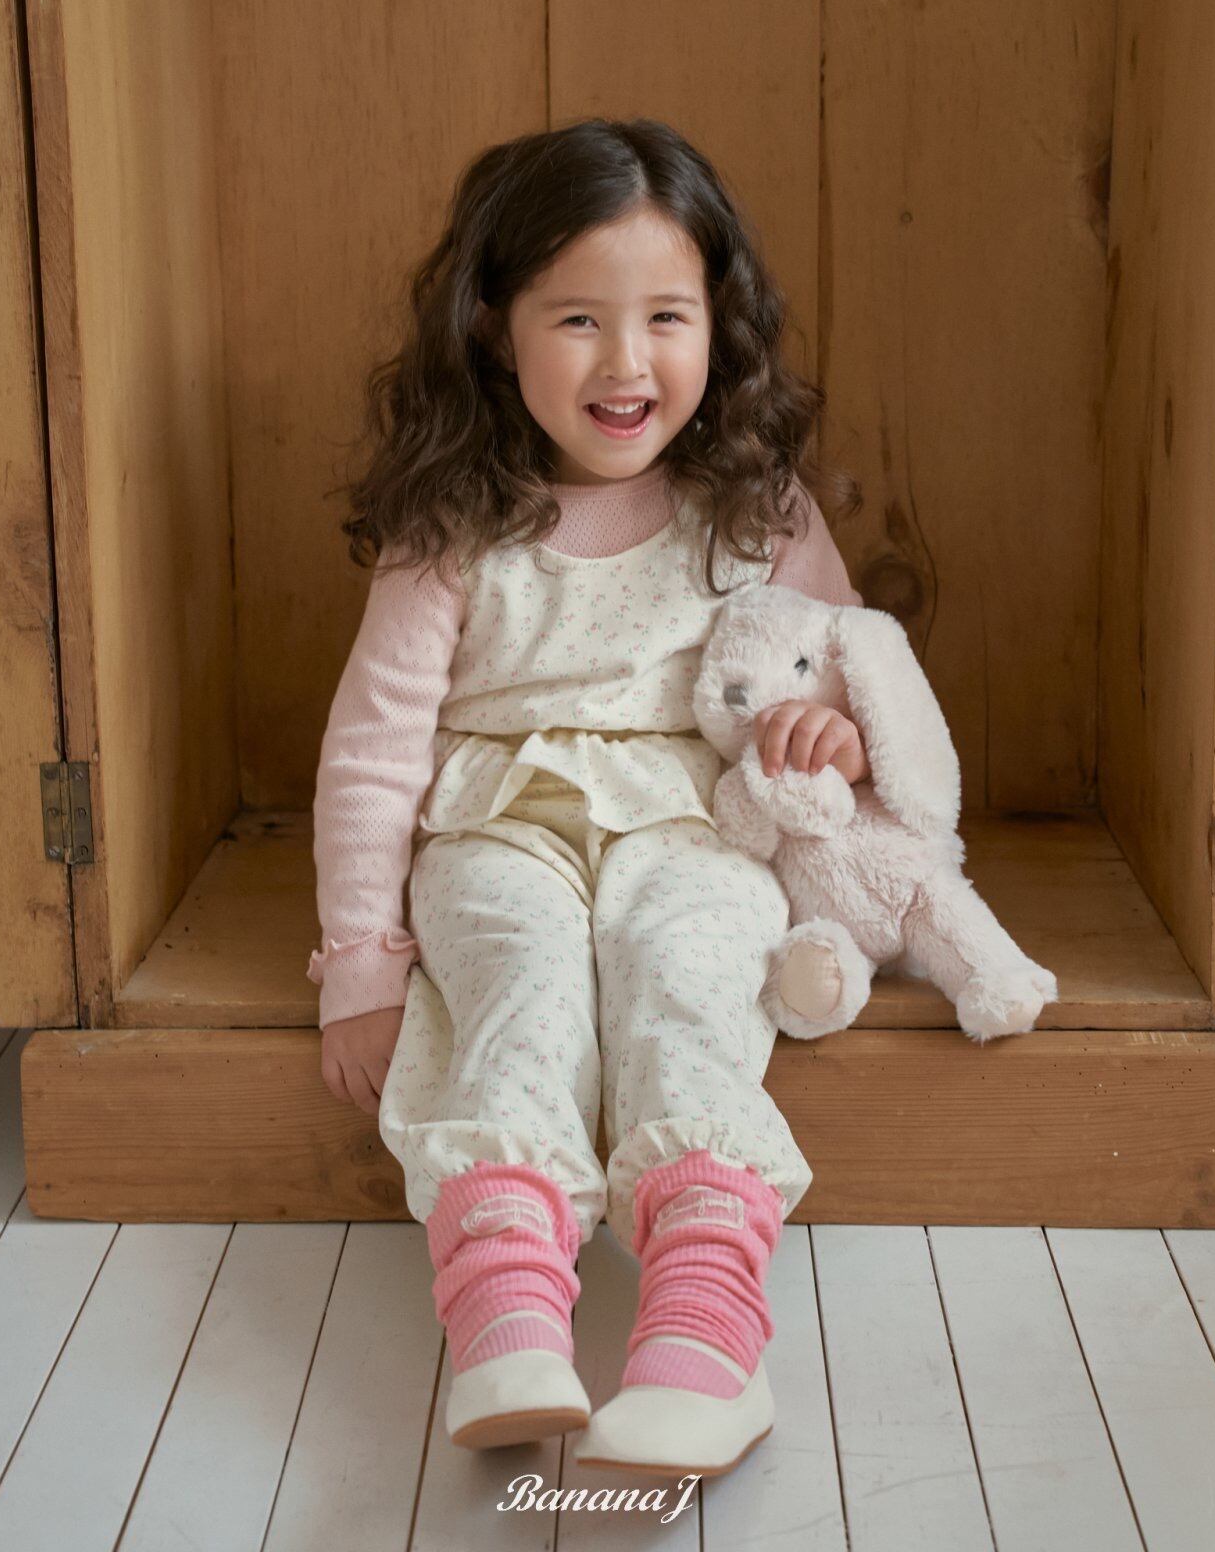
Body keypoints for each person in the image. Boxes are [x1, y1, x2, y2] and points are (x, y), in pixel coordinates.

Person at [306, 118, 869, 1477]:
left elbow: (853, 678)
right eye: (578, 321)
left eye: (666, 317)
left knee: (684, 983)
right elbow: (374, 750)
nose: (627, 363)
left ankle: (704, 1340)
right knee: (518, 981)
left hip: (698, 824)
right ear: (496, 330)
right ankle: (506, 1317)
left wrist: (829, 734)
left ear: (718, 323)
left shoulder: (757, 507)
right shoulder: (456, 523)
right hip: (501, 824)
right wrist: (361, 964)